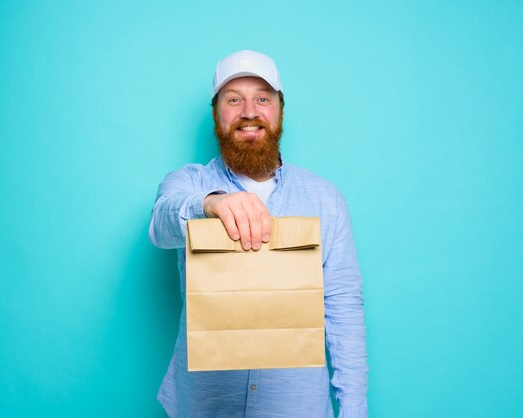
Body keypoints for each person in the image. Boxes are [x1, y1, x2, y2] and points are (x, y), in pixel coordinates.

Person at [149, 50, 368, 418]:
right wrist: (210, 203)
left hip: (296, 406)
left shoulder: (325, 198)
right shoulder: (189, 183)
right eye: (233, 99)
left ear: (280, 109)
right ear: (216, 113)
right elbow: (160, 226)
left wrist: (353, 410)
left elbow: (343, 308)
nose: (249, 111)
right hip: (205, 405)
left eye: (262, 98)